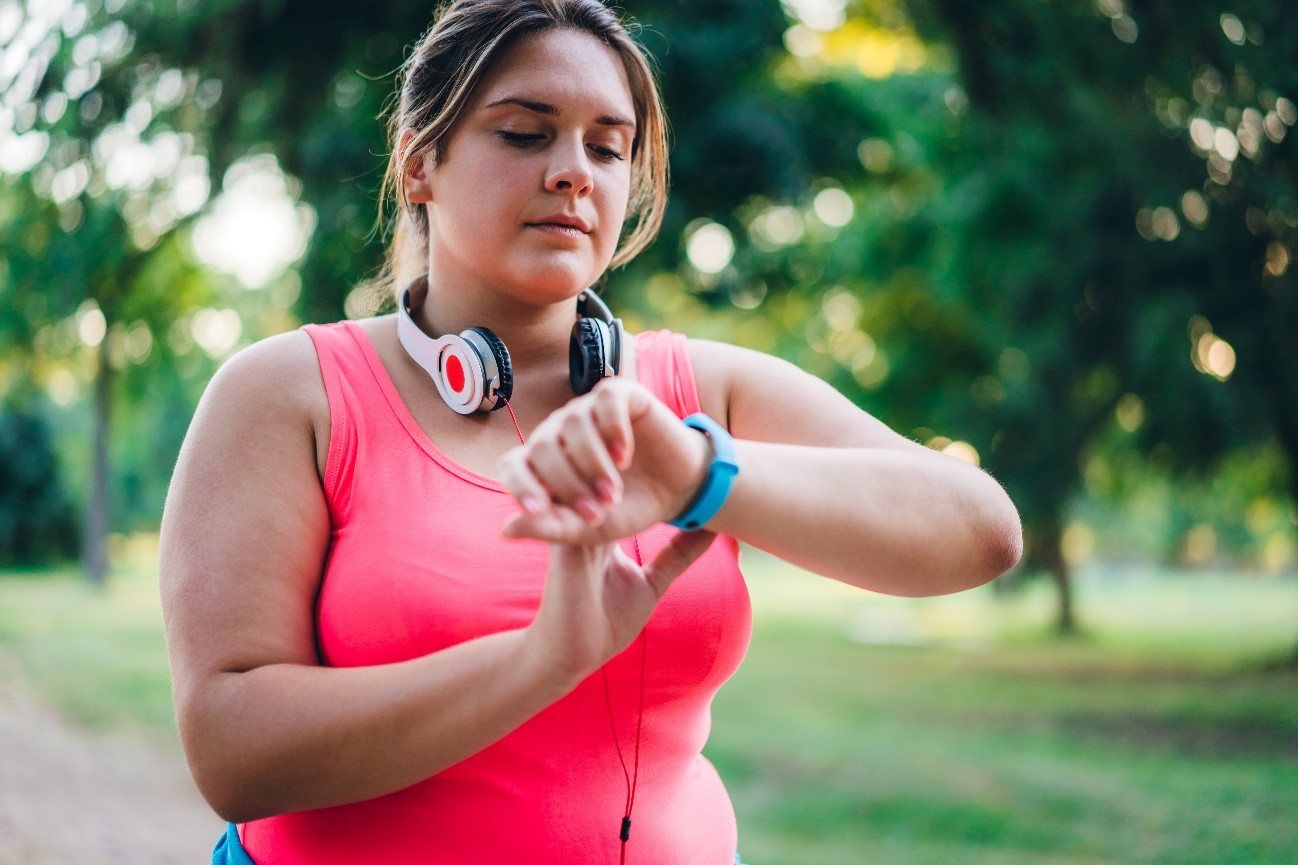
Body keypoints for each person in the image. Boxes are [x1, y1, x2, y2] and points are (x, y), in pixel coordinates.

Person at [158, 1, 1024, 863]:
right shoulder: (285, 393)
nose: (575, 171)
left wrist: (701, 474)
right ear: (422, 164)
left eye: (608, 147)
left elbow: (980, 530)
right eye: (526, 134)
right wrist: (542, 660)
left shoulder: (698, 395)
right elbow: (235, 754)